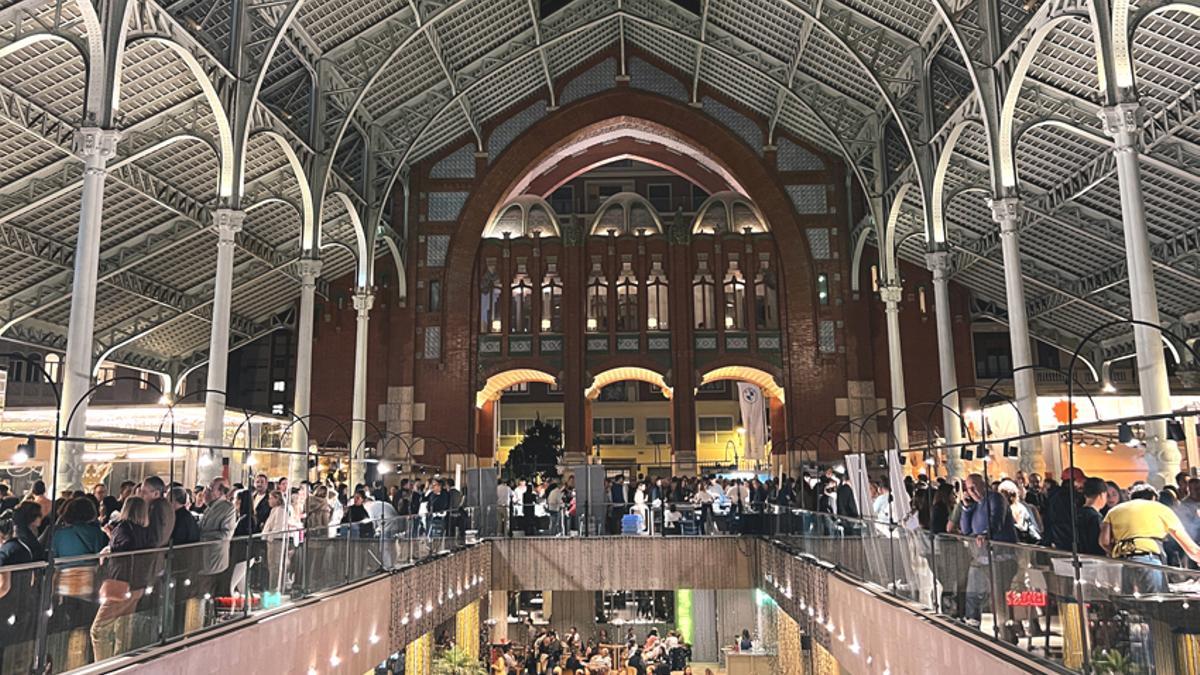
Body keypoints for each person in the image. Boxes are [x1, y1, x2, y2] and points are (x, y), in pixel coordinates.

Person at [1101, 482, 1200, 593]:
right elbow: (1190, 547)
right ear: (1153, 498)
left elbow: (1104, 541)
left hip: (1120, 563)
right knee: (1153, 603)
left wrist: (1119, 552)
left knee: (1128, 604)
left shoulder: (1113, 511)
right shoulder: (1160, 508)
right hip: (1148, 560)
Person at [91, 496, 153, 660]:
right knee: (123, 628)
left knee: (98, 629)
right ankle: (120, 664)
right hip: (138, 585)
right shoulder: (145, 530)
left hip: (120, 584)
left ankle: (103, 667)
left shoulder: (123, 527)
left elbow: (123, 548)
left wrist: (111, 544)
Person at [958, 473, 1018, 638]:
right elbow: (965, 529)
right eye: (969, 489)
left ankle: (1004, 630)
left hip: (1001, 558)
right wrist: (966, 508)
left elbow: (996, 520)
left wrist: (985, 533)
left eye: (975, 487)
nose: (973, 491)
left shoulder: (996, 499)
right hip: (982, 559)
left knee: (998, 596)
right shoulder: (975, 504)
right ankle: (973, 626)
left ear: (983, 484)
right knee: (974, 593)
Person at [1042, 467, 1086, 550]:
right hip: (1066, 542)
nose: (1081, 485)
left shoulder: (1056, 496)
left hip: (1060, 541)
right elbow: (1066, 522)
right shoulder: (1065, 498)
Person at [1075, 477, 1107, 556]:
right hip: (1094, 559)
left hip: (1079, 557)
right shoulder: (1095, 517)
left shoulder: (1076, 513)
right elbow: (1096, 544)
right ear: (1102, 495)